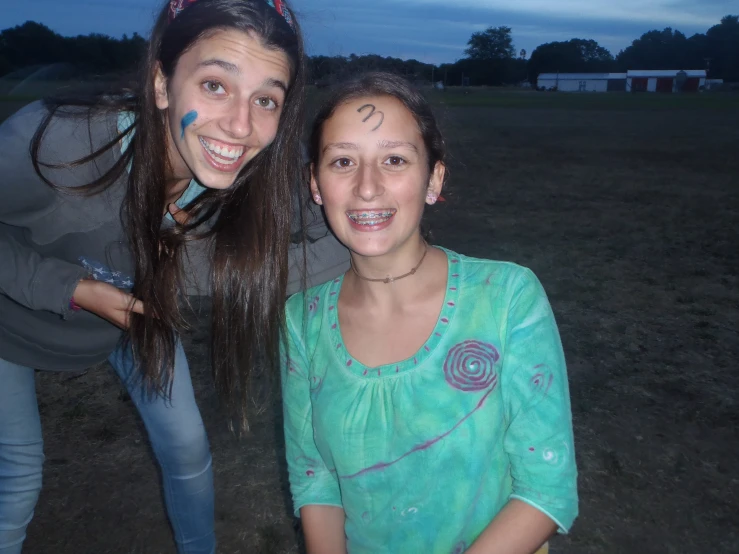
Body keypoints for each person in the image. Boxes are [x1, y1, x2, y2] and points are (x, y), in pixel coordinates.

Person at [0, 0, 348, 553]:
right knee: (18, 474)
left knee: (187, 446)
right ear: (162, 85)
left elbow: (335, 239)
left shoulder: (249, 185)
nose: (240, 125)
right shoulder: (62, 143)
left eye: (266, 99)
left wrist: (373, 203)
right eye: (215, 85)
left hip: (133, 318)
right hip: (11, 322)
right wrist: (71, 288)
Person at [281, 72, 578, 554]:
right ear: (315, 184)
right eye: (342, 162)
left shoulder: (505, 298)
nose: (368, 187)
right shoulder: (301, 321)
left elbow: (546, 489)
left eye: (394, 160)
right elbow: (315, 479)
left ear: (433, 178)